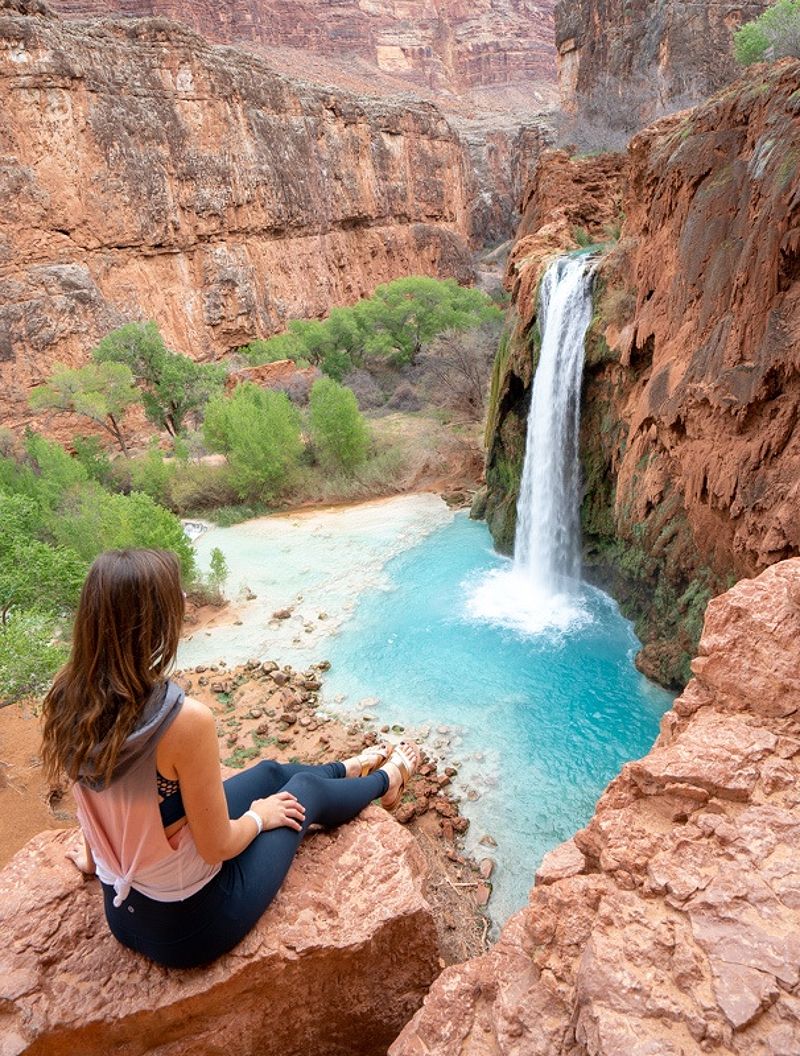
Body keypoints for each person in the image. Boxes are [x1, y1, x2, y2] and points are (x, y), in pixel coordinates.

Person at [40, 548, 419, 970]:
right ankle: (389, 779)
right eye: (177, 595)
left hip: (122, 911)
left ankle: (347, 769)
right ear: (154, 622)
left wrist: (93, 863)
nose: (185, 601)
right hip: (191, 925)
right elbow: (218, 847)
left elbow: (91, 801)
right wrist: (259, 817)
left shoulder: (66, 697)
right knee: (300, 793)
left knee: (270, 771)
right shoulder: (183, 722)